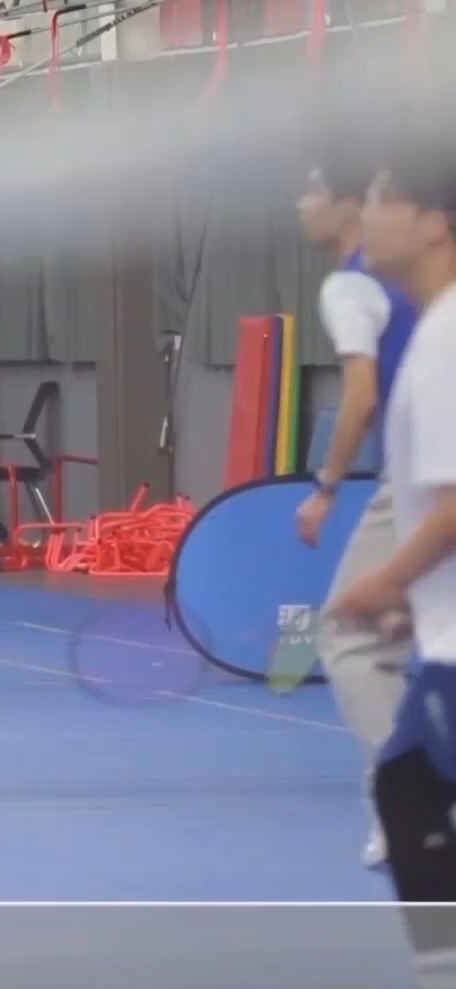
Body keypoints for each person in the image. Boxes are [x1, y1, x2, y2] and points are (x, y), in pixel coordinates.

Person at [330, 137, 456, 984]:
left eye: (379, 199)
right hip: (441, 634)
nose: (363, 214)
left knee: (408, 784)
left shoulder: (445, 342)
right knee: (407, 781)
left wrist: (384, 579)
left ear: (433, 222)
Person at [292, 144, 419, 869]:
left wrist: (326, 486)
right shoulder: (421, 279)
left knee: (348, 636)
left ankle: (409, 801)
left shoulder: (351, 284)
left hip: (424, 476)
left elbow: (361, 396)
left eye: (313, 189)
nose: (301, 204)